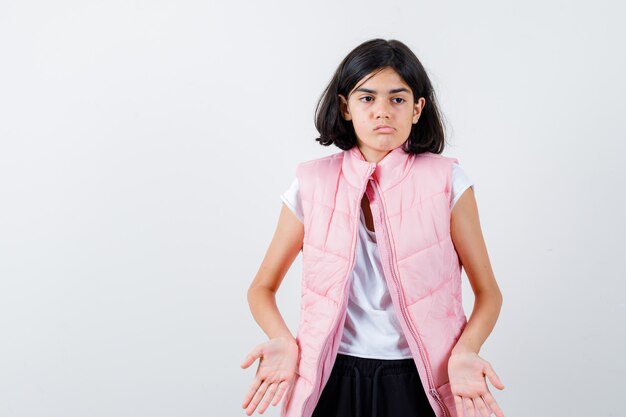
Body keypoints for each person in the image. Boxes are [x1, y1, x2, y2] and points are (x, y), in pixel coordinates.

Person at [240, 38, 506, 417]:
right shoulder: (311, 183)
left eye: (397, 99)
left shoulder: (448, 181)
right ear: (345, 107)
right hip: (331, 373)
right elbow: (261, 288)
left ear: (417, 109)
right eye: (367, 98)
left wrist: (464, 352)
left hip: (418, 376)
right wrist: (283, 340)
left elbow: (488, 293)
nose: (383, 111)